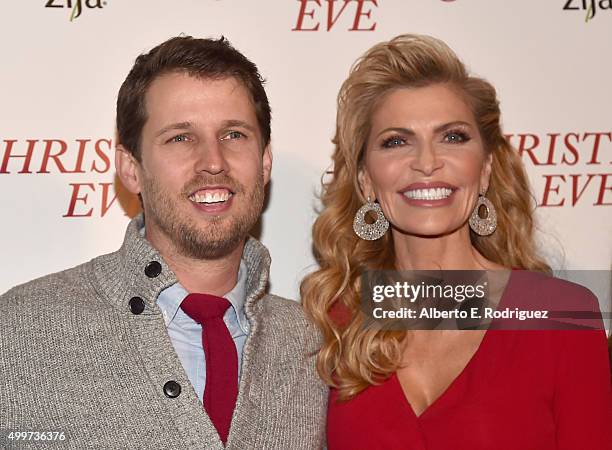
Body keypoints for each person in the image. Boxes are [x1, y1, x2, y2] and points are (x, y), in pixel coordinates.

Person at [0, 36, 326, 449]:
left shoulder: (317, 345)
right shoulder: (20, 331)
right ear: (130, 169)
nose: (213, 161)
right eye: (180, 138)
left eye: (234, 135)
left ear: (264, 163)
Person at [301, 34, 611, 449]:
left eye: (453, 137)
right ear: (365, 180)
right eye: (397, 141)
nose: (427, 162)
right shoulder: (331, 324)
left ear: (484, 169)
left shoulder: (563, 317)